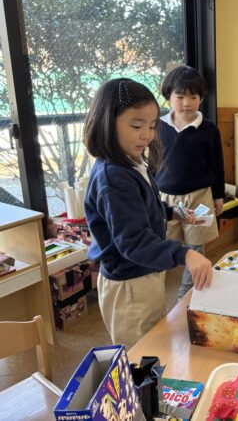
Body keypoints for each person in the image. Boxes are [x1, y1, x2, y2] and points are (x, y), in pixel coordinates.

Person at [83, 78, 213, 349]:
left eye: (152, 126)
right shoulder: (113, 177)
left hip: (143, 274)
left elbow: (141, 209)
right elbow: (133, 241)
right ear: (108, 124)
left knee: (153, 339)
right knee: (140, 352)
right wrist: (184, 254)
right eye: (136, 126)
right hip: (129, 283)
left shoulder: (130, 163)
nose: (147, 135)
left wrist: (171, 212)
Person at [155, 66, 225, 299]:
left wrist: (218, 196)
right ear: (168, 97)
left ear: (201, 98)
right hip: (165, 198)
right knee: (166, 245)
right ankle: (161, 293)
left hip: (200, 197)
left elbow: (217, 165)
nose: (187, 103)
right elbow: (150, 163)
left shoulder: (209, 130)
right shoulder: (157, 127)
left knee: (197, 247)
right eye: (180, 96)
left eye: (193, 97)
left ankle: (186, 295)